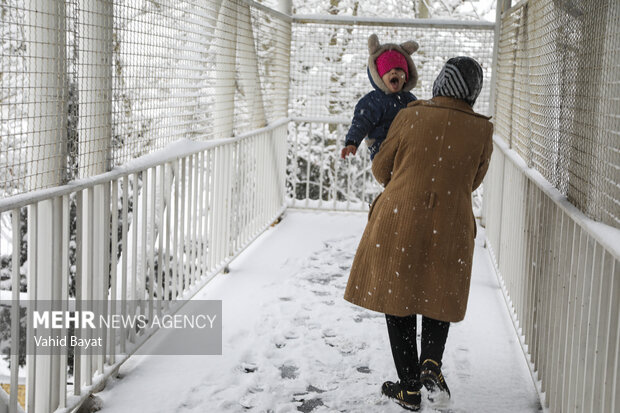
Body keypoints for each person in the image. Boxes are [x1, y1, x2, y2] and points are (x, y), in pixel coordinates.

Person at [343, 57, 493, 411]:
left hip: (400, 219)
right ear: (474, 91)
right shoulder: (482, 130)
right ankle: (431, 363)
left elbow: (383, 169)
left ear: (440, 83)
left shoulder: (411, 114)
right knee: (438, 291)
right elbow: (473, 180)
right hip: (451, 223)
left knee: (399, 297)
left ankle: (409, 389)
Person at [340, 34, 419, 161]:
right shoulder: (373, 101)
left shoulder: (410, 100)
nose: (393, 72)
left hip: (407, 150)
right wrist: (352, 142)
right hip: (382, 151)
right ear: (378, 77)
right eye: (387, 71)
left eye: (398, 69)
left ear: (406, 76)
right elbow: (361, 121)